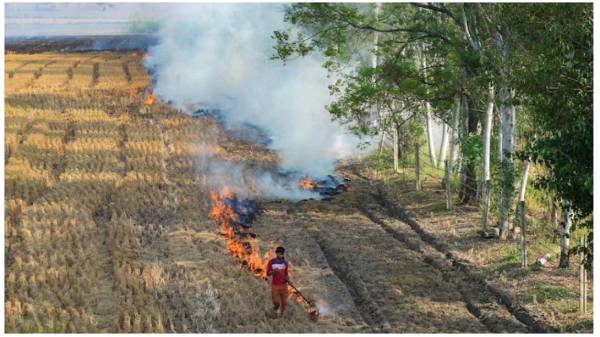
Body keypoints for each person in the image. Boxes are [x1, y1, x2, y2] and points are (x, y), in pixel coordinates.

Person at [266, 246, 289, 317]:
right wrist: (274, 271)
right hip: (275, 286)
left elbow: (286, 273)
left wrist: (288, 280)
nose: (280, 255)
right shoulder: (272, 262)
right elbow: (268, 274)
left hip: (284, 286)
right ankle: (274, 311)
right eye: (279, 253)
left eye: (281, 254)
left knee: (284, 303)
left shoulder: (285, 262)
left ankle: (280, 316)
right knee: (277, 302)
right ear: (276, 253)